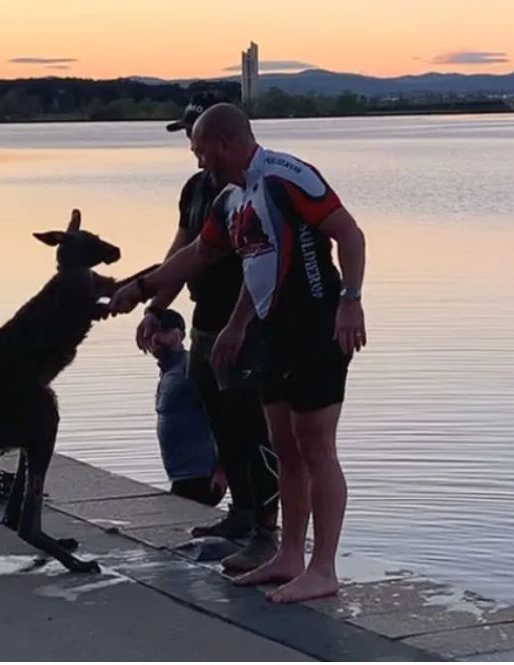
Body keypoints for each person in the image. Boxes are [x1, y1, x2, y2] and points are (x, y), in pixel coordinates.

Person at [112, 103, 367, 603]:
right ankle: (289, 555)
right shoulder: (231, 199)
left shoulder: (286, 176)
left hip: (315, 325)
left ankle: (324, 568)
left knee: (316, 449)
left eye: (200, 150)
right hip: (271, 333)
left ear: (224, 143)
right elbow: (200, 256)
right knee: (285, 449)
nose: (197, 159)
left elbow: (349, 234)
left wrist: (350, 302)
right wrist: (142, 287)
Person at [137, 92, 279, 575]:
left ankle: (267, 529)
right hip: (204, 319)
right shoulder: (197, 189)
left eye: (196, 139)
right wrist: (156, 306)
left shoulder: (254, 188)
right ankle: (238, 513)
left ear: (219, 137)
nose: (192, 151)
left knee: (251, 423)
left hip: (250, 323)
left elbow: (257, 266)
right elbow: (185, 251)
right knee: (219, 418)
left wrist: (240, 326)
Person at [148, 307, 225, 506]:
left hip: (201, 477)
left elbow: (224, 415)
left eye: (164, 331)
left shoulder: (190, 368)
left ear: (180, 335)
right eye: (152, 331)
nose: (155, 337)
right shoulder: (168, 370)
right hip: (181, 477)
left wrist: (222, 470)